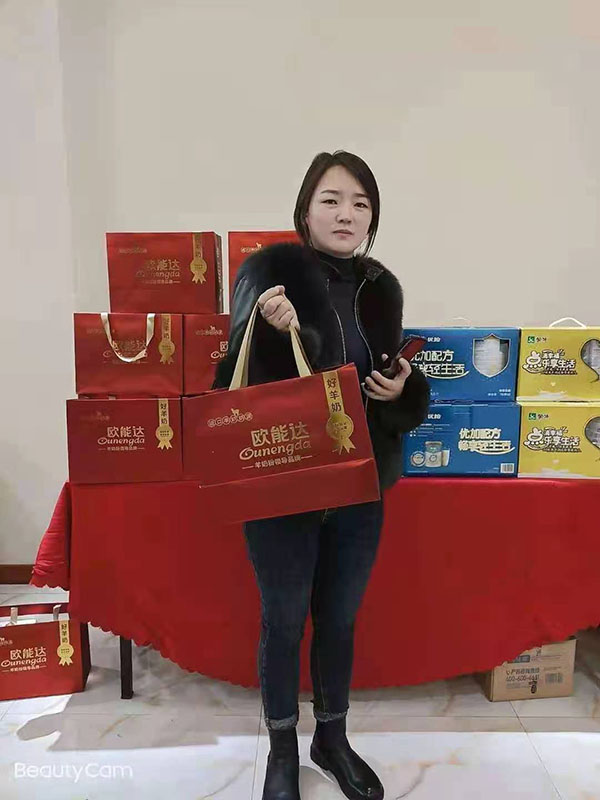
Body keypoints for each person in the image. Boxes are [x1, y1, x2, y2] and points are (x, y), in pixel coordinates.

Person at [214, 151, 430, 800]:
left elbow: (382, 379)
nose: (346, 214)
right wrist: (268, 329)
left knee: (338, 618)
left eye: (361, 203)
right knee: (283, 620)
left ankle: (331, 739)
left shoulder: (382, 287)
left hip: (360, 484)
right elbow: (229, 385)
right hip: (283, 483)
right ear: (305, 210)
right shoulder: (268, 274)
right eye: (331, 200)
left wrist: (401, 390)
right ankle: (282, 748)